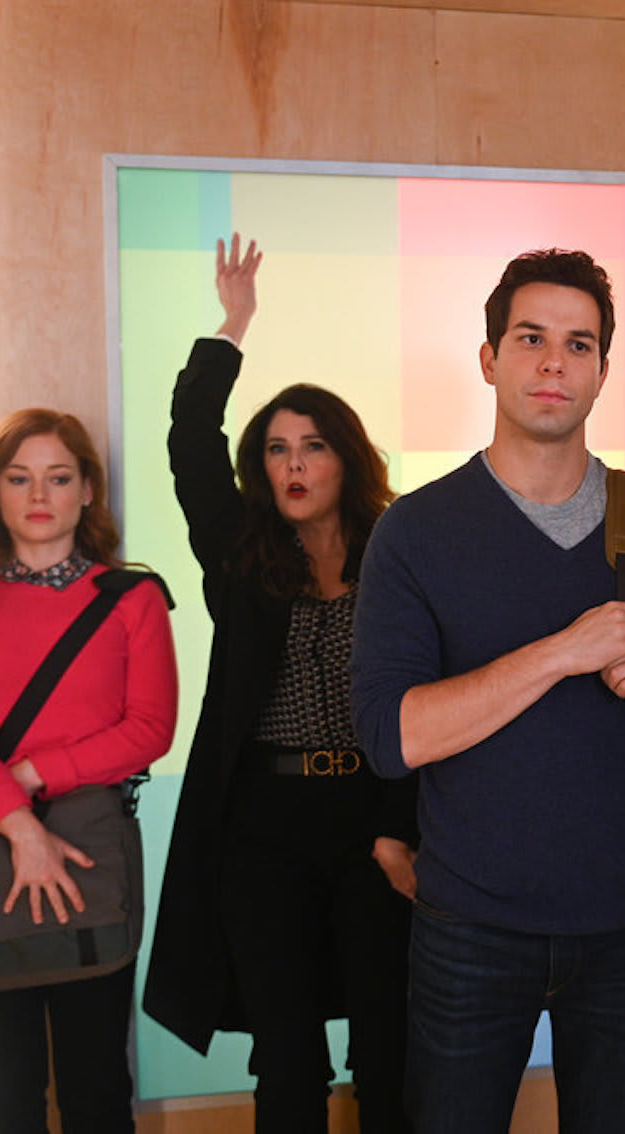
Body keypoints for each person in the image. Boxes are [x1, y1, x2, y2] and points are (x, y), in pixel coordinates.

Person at [349, 249, 625, 1133]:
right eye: (530, 338)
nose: (552, 362)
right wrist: (560, 653)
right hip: (468, 924)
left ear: (602, 371)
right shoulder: (414, 532)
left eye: (577, 345)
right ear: (489, 358)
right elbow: (393, 735)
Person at [143, 234, 418, 1133]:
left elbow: (420, 704)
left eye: (311, 447)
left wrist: (396, 828)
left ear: (345, 458)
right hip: (262, 829)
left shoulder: (398, 555)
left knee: (390, 1049)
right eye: (275, 450)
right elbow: (188, 441)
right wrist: (232, 326)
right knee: (287, 1058)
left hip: (372, 822)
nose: (293, 465)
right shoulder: (241, 558)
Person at [0, 408, 179, 1132]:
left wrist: (34, 777)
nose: (39, 495)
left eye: (59, 477)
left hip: (91, 852)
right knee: (4, 1098)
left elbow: (149, 730)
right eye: (19, 477)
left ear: (87, 492)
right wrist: (21, 829)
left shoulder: (130, 598)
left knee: (97, 1090)